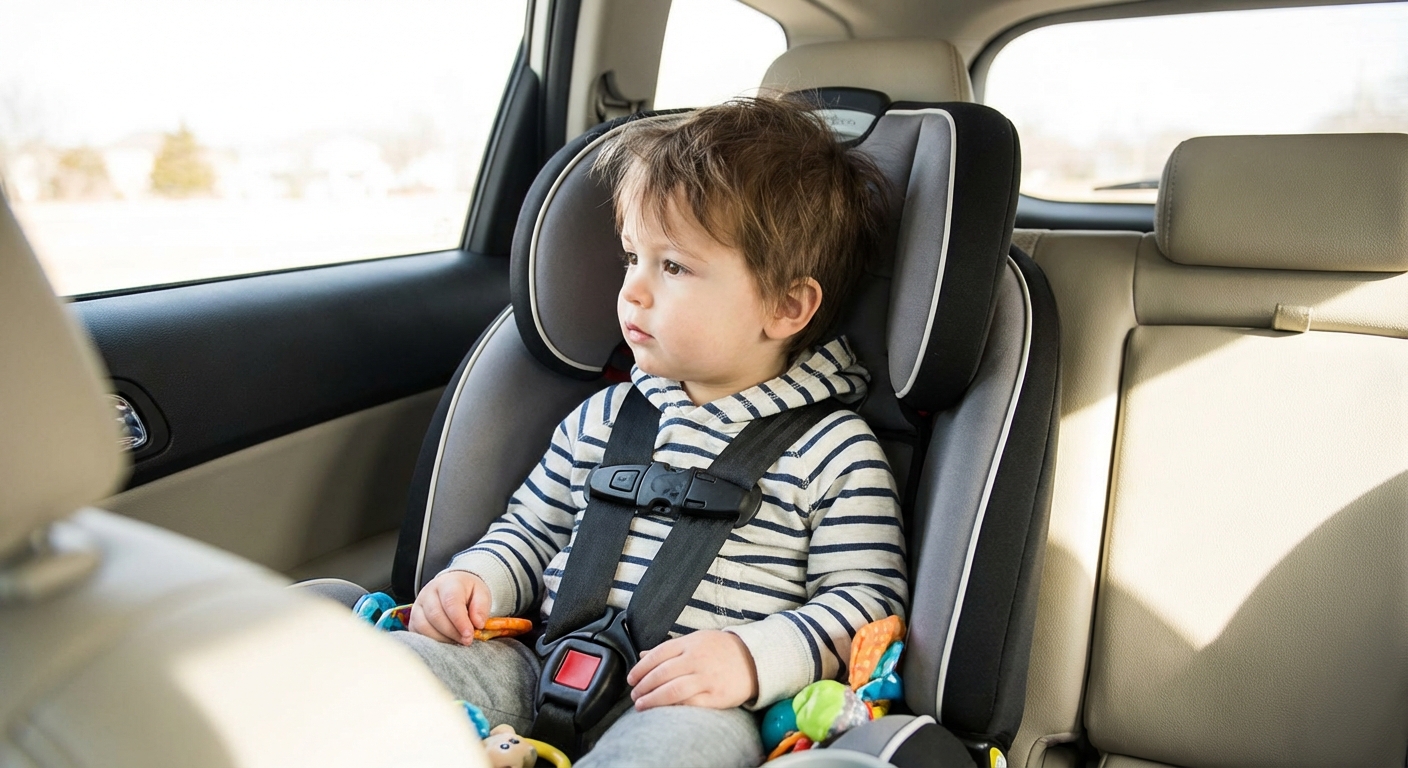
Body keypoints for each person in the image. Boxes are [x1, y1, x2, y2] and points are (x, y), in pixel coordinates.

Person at [393, 96, 907, 768]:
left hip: (698, 707)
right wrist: (478, 580)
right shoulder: (604, 418)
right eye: (633, 257)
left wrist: (752, 659)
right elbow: (530, 533)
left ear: (787, 306)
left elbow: (865, 602)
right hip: (539, 663)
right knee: (392, 676)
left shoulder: (834, 452)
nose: (633, 290)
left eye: (674, 267)